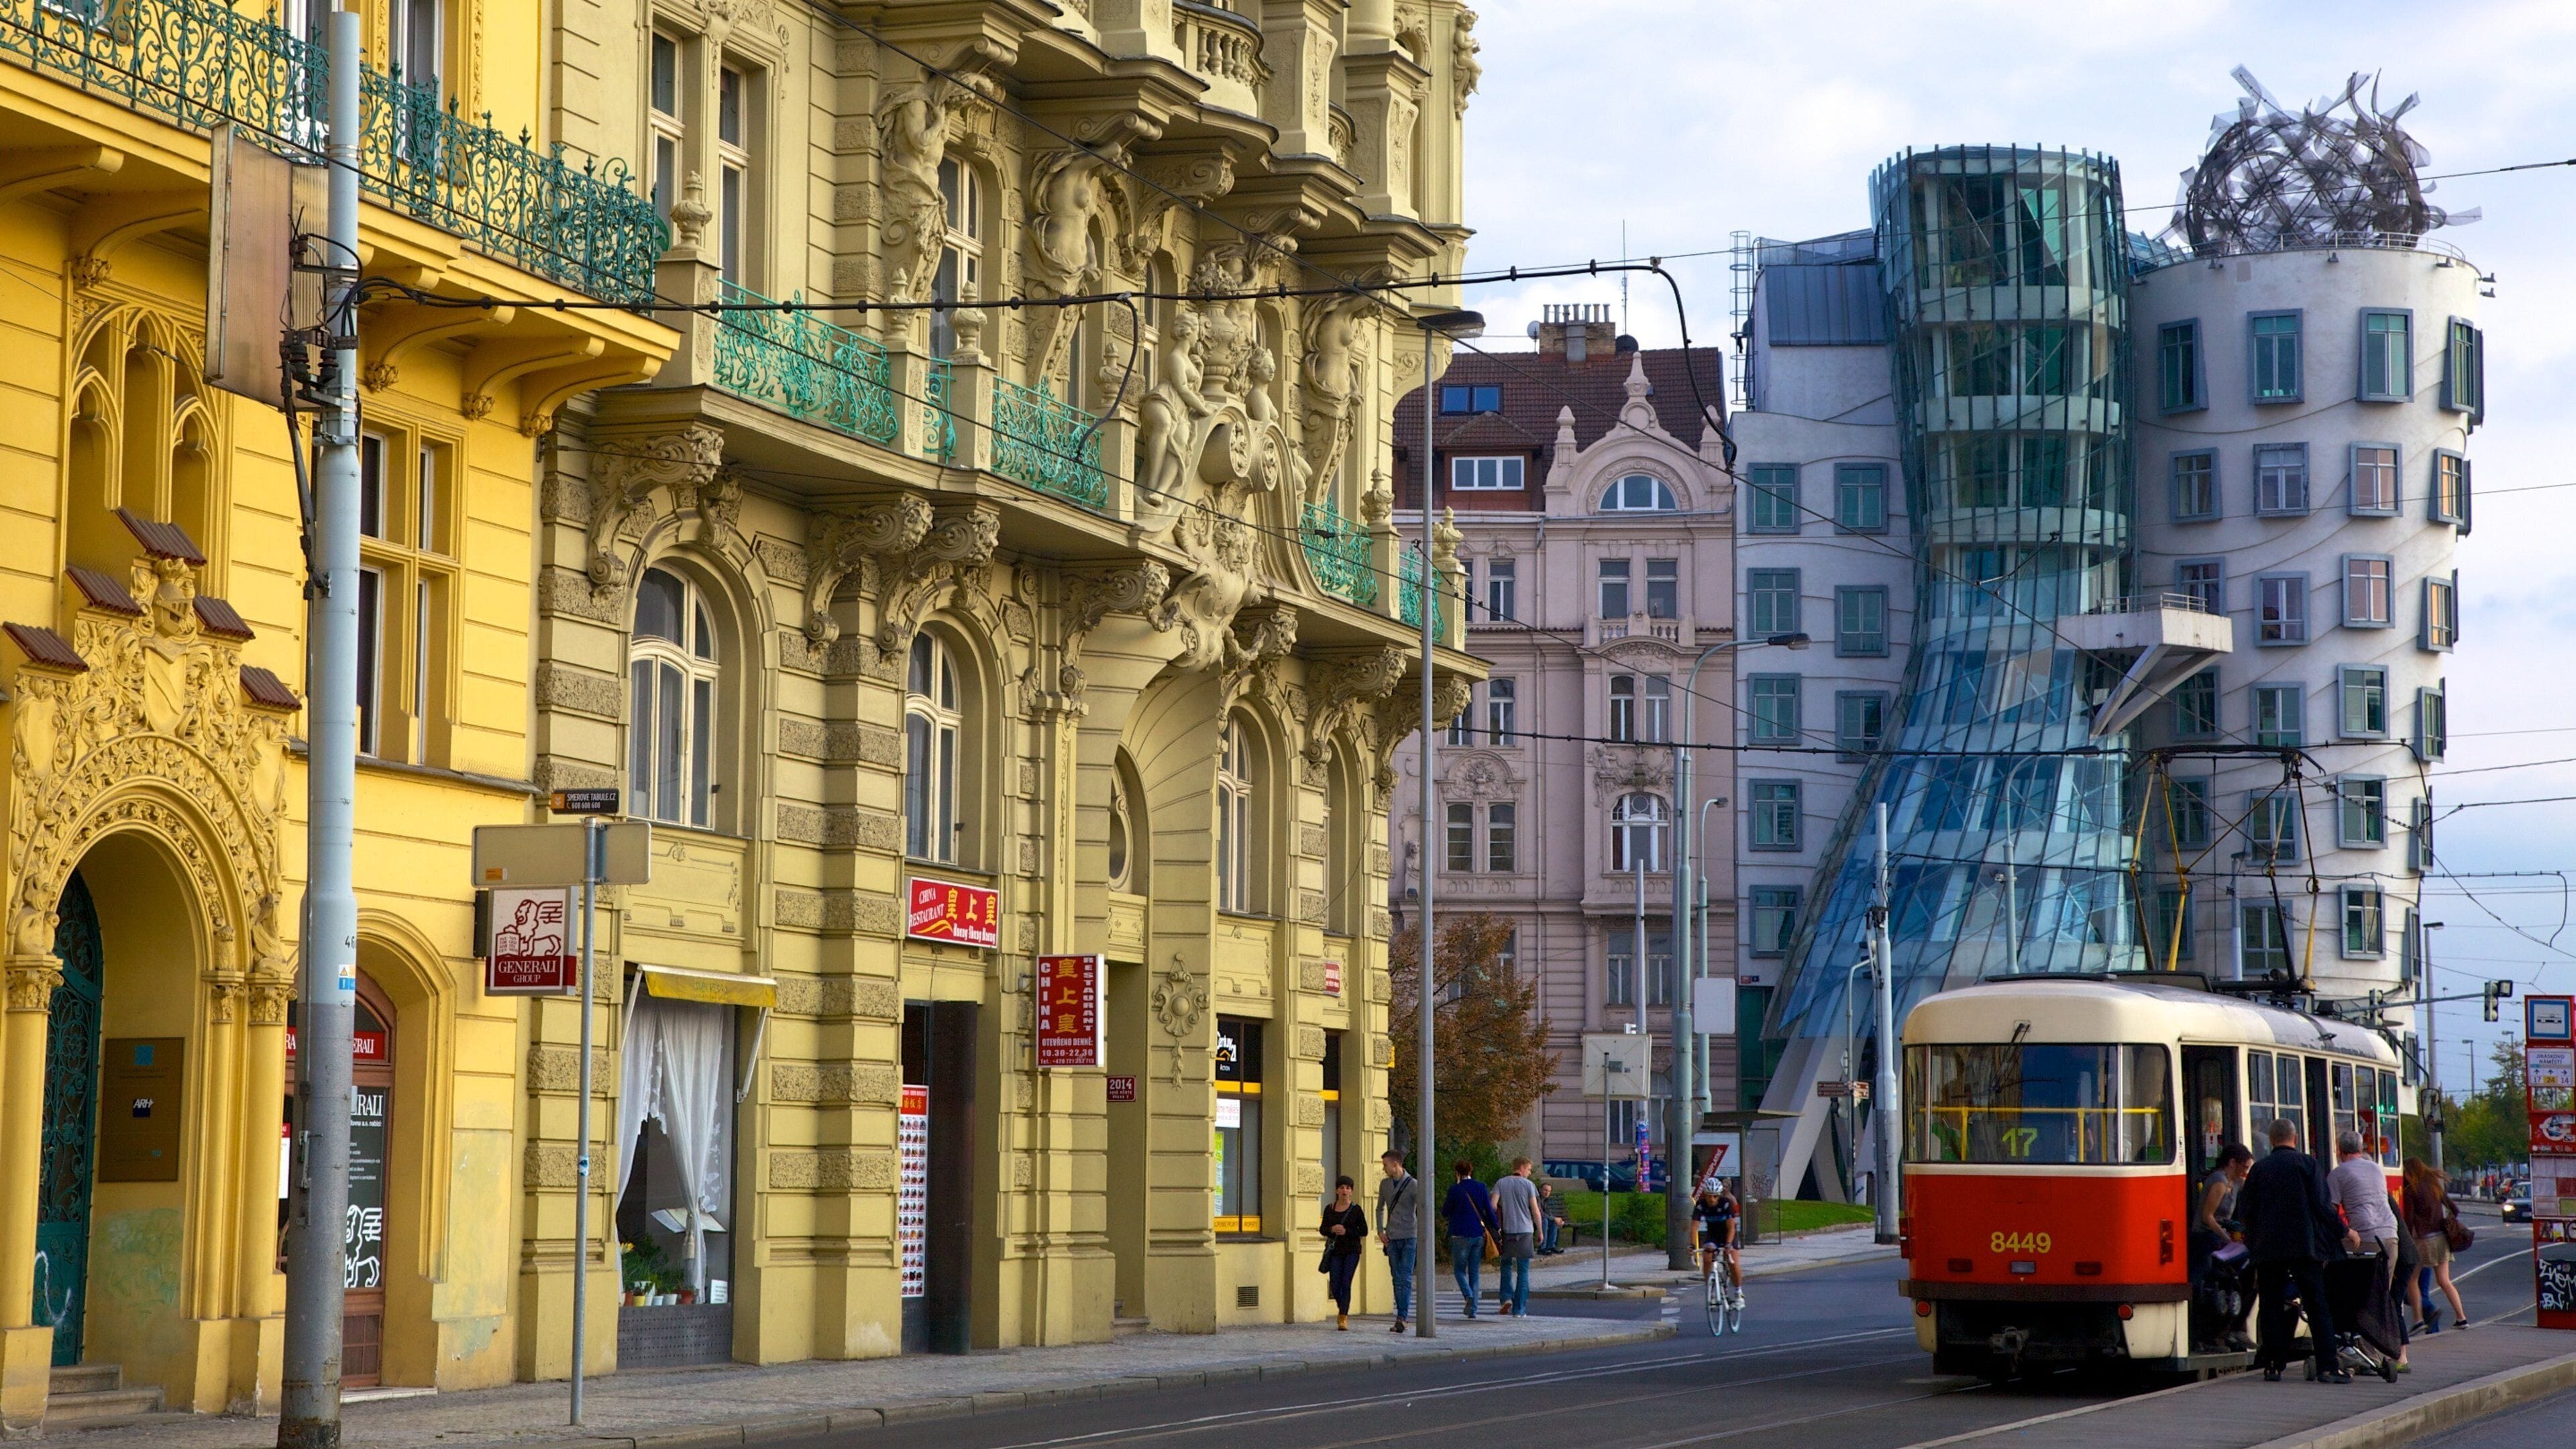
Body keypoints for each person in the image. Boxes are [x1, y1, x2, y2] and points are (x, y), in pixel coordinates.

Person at [2236, 1116, 2348, 1383]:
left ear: (2272, 1140)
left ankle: (2273, 1364)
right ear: (2295, 1139)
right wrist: (2344, 1232)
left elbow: (2245, 1212)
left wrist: (2253, 1243)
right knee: (2316, 1304)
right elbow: (2322, 1207)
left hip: (2268, 1248)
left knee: (2271, 1304)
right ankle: (2327, 1366)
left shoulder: (2259, 1169)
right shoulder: (2308, 1164)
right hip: (2304, 1246)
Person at [2327, 1130, 2405, 1370]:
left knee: (2348, 1287)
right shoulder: (2375, 1169)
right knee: (2380, 1293)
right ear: (2361, 1150)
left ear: (2339, 1151)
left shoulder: (2338, 1174)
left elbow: (2330, 1214)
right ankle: (2375, 1354)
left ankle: (2356, 1351)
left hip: (2365, 1238)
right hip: (2390, 1237)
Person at [2192, 1144, 2255, 1350]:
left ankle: (2228, 1330)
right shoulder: (2219, 1181)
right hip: (2205, 1239)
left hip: (2220, 1238)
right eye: (2243, 1167)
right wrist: (2227, 1237)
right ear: (2231, 1163)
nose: (2245, 1171)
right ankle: (2203, 1336)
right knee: (2206, 1286)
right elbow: (2207, 1217)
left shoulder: (2235, 1182)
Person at [2402, 1157, 2470, 1332]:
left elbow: (2408, 1221)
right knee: (2445, 1281)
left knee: (2412, 1280)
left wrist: (2406, 1240)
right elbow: (2454, 1209)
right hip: (2441, 1238)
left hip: (2424, 1241)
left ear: (2410, 1173)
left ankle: (2418, 1320)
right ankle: (2461, 1318)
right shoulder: (2434, 1186)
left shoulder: (2411, 1191)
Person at [1441, 1160, 1499, 1320]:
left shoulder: (1455, 1190)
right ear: (1471, 1171)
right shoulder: (1480, 1187)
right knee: (1474, 1272)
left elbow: (1445, 1211)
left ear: (1457, 1173)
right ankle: (1473, 1310)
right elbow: (1488, 1210)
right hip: (1478, 1234)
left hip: (1459, 1234)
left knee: (1459, 1270)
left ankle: (1468, 1295)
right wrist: (1496, 1227)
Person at [1376, 1150, 1420, 1334]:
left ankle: (1403, 1316)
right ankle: (1401, 1316)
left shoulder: (1413, 1184)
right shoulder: (1385, 1185)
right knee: (1396, 1277)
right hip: (1392, 1236)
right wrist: (1380, 1230)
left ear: (1396, 1165)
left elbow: (1422, 1208)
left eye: (1386, 1165)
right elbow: (1379, 1208)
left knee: (1406, 1277)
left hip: (1409, 1234)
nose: (1384, 1169)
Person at [1491, 1158, 1540, 1318]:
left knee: (1505, 1265)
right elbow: (1535, 1210)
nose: (1529, 1173)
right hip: (1525, 1231)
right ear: (1521, 1168)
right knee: (1523, 1271)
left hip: (1507, 1231)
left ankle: (1506, 1297)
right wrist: (1540, 1230)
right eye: (1529, 1169)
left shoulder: (1501, 1183)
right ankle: (1519, 1310)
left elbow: (1492, 1205)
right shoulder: (1529, 1185)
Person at [1318, 1175, 1368, 1330]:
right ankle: (1342, 1307)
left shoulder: (1356, 1210)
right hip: (1335, 1252)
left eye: (1348, 1188)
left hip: (1352, 1251)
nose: (1344, 1191)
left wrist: (1347, 1231)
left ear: (1351, 1191)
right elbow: (1322, 1229)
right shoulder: (1330, 1209)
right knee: (1335, 1284)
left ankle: (1343, 1317)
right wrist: (1332, 1229)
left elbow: (1364, 1230)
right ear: (1336, 1190)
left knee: (1346, 1283)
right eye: (1341, 1188)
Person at [1692, 1182, 1741, 1306]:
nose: (1712, 1199)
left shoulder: (1726, 1203)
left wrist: (1729, 1244)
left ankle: (1738, 1293)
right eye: (1709, 1196)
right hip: (1713, 1235)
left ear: (1719, 1196)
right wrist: (1692, 1246)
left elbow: (1731, 1227)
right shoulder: (1701, 1205)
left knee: (1732, 1262)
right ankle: (1711, 1290)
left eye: (1715, 1196)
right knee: (1707, 1258)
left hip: (1728, 1235)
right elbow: (1694, 1228)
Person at [1536, 1182, 1566, 1255]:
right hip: (1533, 1220)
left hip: (1541, 1219)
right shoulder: (1537, 1199)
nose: (1547, 1193)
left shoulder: (1546, 1200)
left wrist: (1557, 1220)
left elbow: (1548, 1213)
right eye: (1545, 1190)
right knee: (1545, 1221)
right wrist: (1554, 1218)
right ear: (1540, 1190)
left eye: (1549, 1191)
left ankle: (1551, 1246)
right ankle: (1542, 1248)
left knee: (1553, 1222)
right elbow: (1540, 1213)